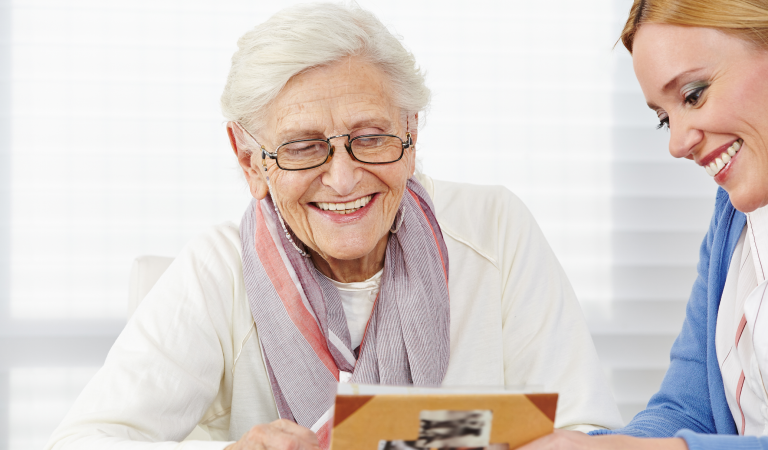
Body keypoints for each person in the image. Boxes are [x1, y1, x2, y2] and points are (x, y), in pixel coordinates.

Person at [44, 3, 621, 450]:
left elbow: (588, 425)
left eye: (370, 137)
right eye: (301, 147)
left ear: (412, 133)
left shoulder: (495, 229)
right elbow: (82, 441)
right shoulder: (217, 270)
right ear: (250, 161)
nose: (343, 180)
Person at [518, 0, 768, 449]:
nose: (677, 143)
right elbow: (686, 409)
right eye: (664, 119)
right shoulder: (733, 221)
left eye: (694, 93)